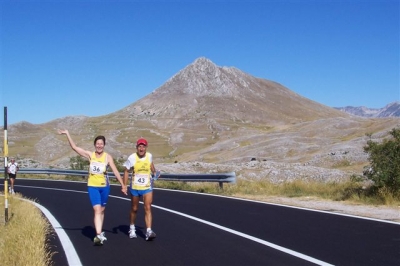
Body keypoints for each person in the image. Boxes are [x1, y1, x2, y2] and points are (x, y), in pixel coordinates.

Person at [58, 129, 127, 246]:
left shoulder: (107, 157)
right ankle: (98, 234)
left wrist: (123, 185)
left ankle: (100, 232)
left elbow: (115, 171)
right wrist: (68, 133)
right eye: (97, 143)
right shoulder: (90, 155)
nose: (99, 145)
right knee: (97, 210)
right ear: (95, 145)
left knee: (102, 210)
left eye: (101, 144)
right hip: (92, 187)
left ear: (104, 145)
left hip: (105, 187)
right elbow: (75, 147)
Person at [123, 138, 160, 241]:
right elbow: (126, 171)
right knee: (134, 208)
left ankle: (148, 231)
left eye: (143, 146)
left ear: (146, 148)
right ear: (137, 147)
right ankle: (132, 228)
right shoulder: (132, 158)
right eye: (139, 146)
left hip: (147, 187)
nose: (141, 148)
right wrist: (124, 185)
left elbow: (151, 166)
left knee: (147, 207)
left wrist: (154, 173)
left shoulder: (149, 156)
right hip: (135, 187)